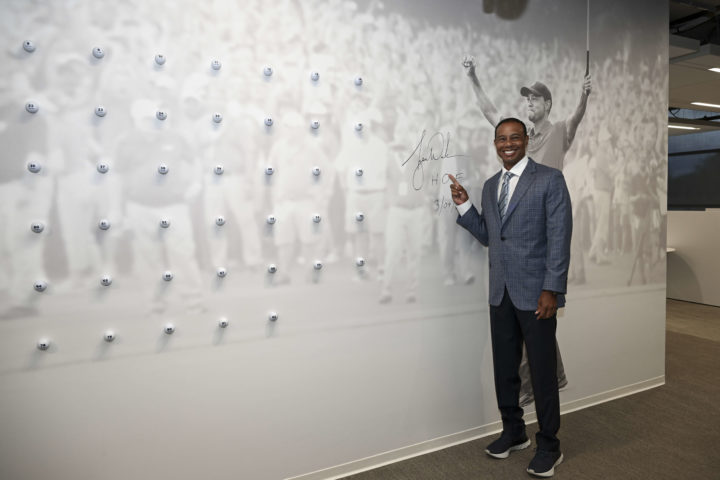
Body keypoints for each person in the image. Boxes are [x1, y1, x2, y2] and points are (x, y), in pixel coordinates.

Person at [462, 55, 591, 405]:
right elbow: (490, 112)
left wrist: (584, 96)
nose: (529, 102)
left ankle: (547, 424)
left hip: (540, 252)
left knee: (538, 341)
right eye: (527, 98)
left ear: (547, 104)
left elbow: (577, 118)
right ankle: (522, 414)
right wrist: (473, 77)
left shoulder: (559, 132)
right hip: (509, 266)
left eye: (535, 97)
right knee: (524, 343)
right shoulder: (515, 146)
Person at [448, 118, 572, 478]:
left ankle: (549, 445)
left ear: (526, 140)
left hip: (537, 295)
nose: (508, 143)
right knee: (505, 369)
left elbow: (560, 237)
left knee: (542, 372)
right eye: (501, 138)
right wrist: (464, 206)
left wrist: (552, 288)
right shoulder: (490, 186)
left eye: (515, 137)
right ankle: (514, 432)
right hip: (500, 292)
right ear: (494, 142)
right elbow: (490, 235)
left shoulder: (549, 179)